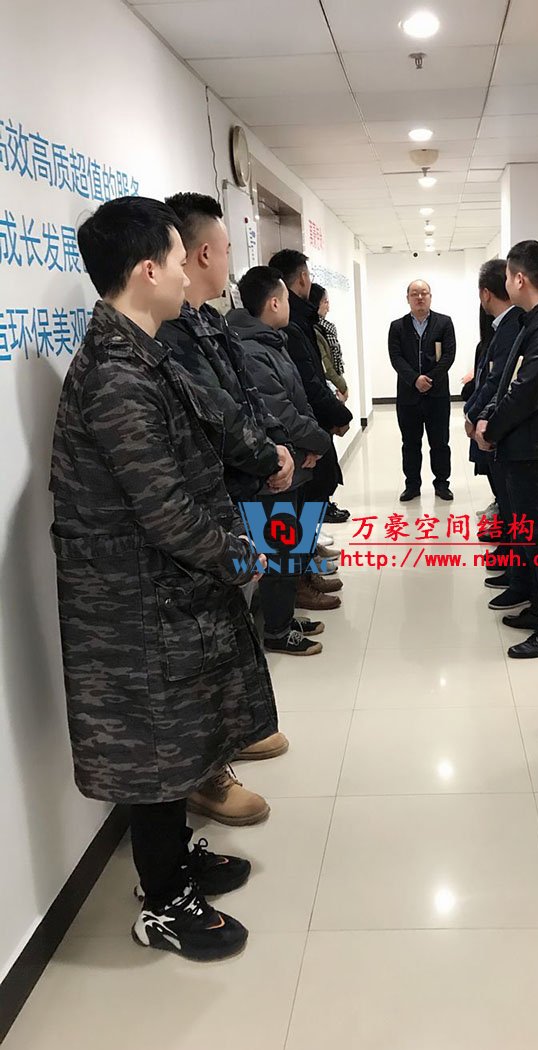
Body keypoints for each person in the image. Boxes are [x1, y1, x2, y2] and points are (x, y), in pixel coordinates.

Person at [50, 196, 271, 961]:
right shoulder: (116, 375)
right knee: (153, 744)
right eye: (179, 260)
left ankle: (175, 860)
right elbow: (166, 510)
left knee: (179, 734)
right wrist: (239, 555)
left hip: (161, 591)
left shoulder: (140, 352)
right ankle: (163, 902)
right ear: (148, 269)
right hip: (132, 604)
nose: (187, 274)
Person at [157, 192, 290, 827]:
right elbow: (217, 413)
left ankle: (232, 736)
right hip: (215, 494)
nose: (229, 260)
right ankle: (209, 770)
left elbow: (246, 400)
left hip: (240, 481)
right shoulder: (166, 335)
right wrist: (266, 456)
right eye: (227, 248)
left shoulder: (207, 321)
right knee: (212, 631)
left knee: (234, 622)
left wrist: (273, 450)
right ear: (202, 253)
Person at [230, 265, 343, 647]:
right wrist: (318, 443)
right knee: (278, 555)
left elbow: (298, 403)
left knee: (288, 551)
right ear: (275, 302)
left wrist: (310, 445)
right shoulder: (252, 350)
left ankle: (285, 619)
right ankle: (277, 631)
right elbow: (280, 413)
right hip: (272, 473)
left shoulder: (271, 342)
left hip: (294, 462)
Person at [475, 241, 538, 658]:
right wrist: (491, 419)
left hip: (533, 449)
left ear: (519, 279)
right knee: (529, 534)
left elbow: (526, 393)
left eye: (507, 276)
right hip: (521, 446)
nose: (505, 283)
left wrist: (492, 428)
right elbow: (510, 382)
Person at [268, 249, 353, 525]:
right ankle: (303, 549)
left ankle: (307, 547)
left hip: (306, 427)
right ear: (303, 278)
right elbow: (305, 384)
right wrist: (334, 419)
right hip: (298, 434)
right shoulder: (290, 328)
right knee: (307, 493)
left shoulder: (300, 321)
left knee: (312, 491)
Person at [464, 259, 523, 571]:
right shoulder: (506, 325)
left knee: (513, 502)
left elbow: (497, 381)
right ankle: (511, 558)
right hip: (496, 420)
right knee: (507, 499)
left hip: (503, 426)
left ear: (485, 293)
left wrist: (472, 413)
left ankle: (516, 567)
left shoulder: (512, 326)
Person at [389, 279, 457, 501]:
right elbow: (396, 358)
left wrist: (429, 379)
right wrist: (414, 379)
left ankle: (442, 484)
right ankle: (412, 485)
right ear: (407, 298)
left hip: (437, 395)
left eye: (424, 293)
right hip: (408, 396)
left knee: (440, 442)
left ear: (430, 296)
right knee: (410, 444)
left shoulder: (444, 323)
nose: (420, 297)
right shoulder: (397, 327)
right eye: (415, 294)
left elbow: (449, 356)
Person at [309, 283, 348, 401]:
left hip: (333, 386)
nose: (328, 308)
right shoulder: (314, 331)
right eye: (325, 302)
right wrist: (343, 387)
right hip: (328, 389)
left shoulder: (325, 329)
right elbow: (326, 366)